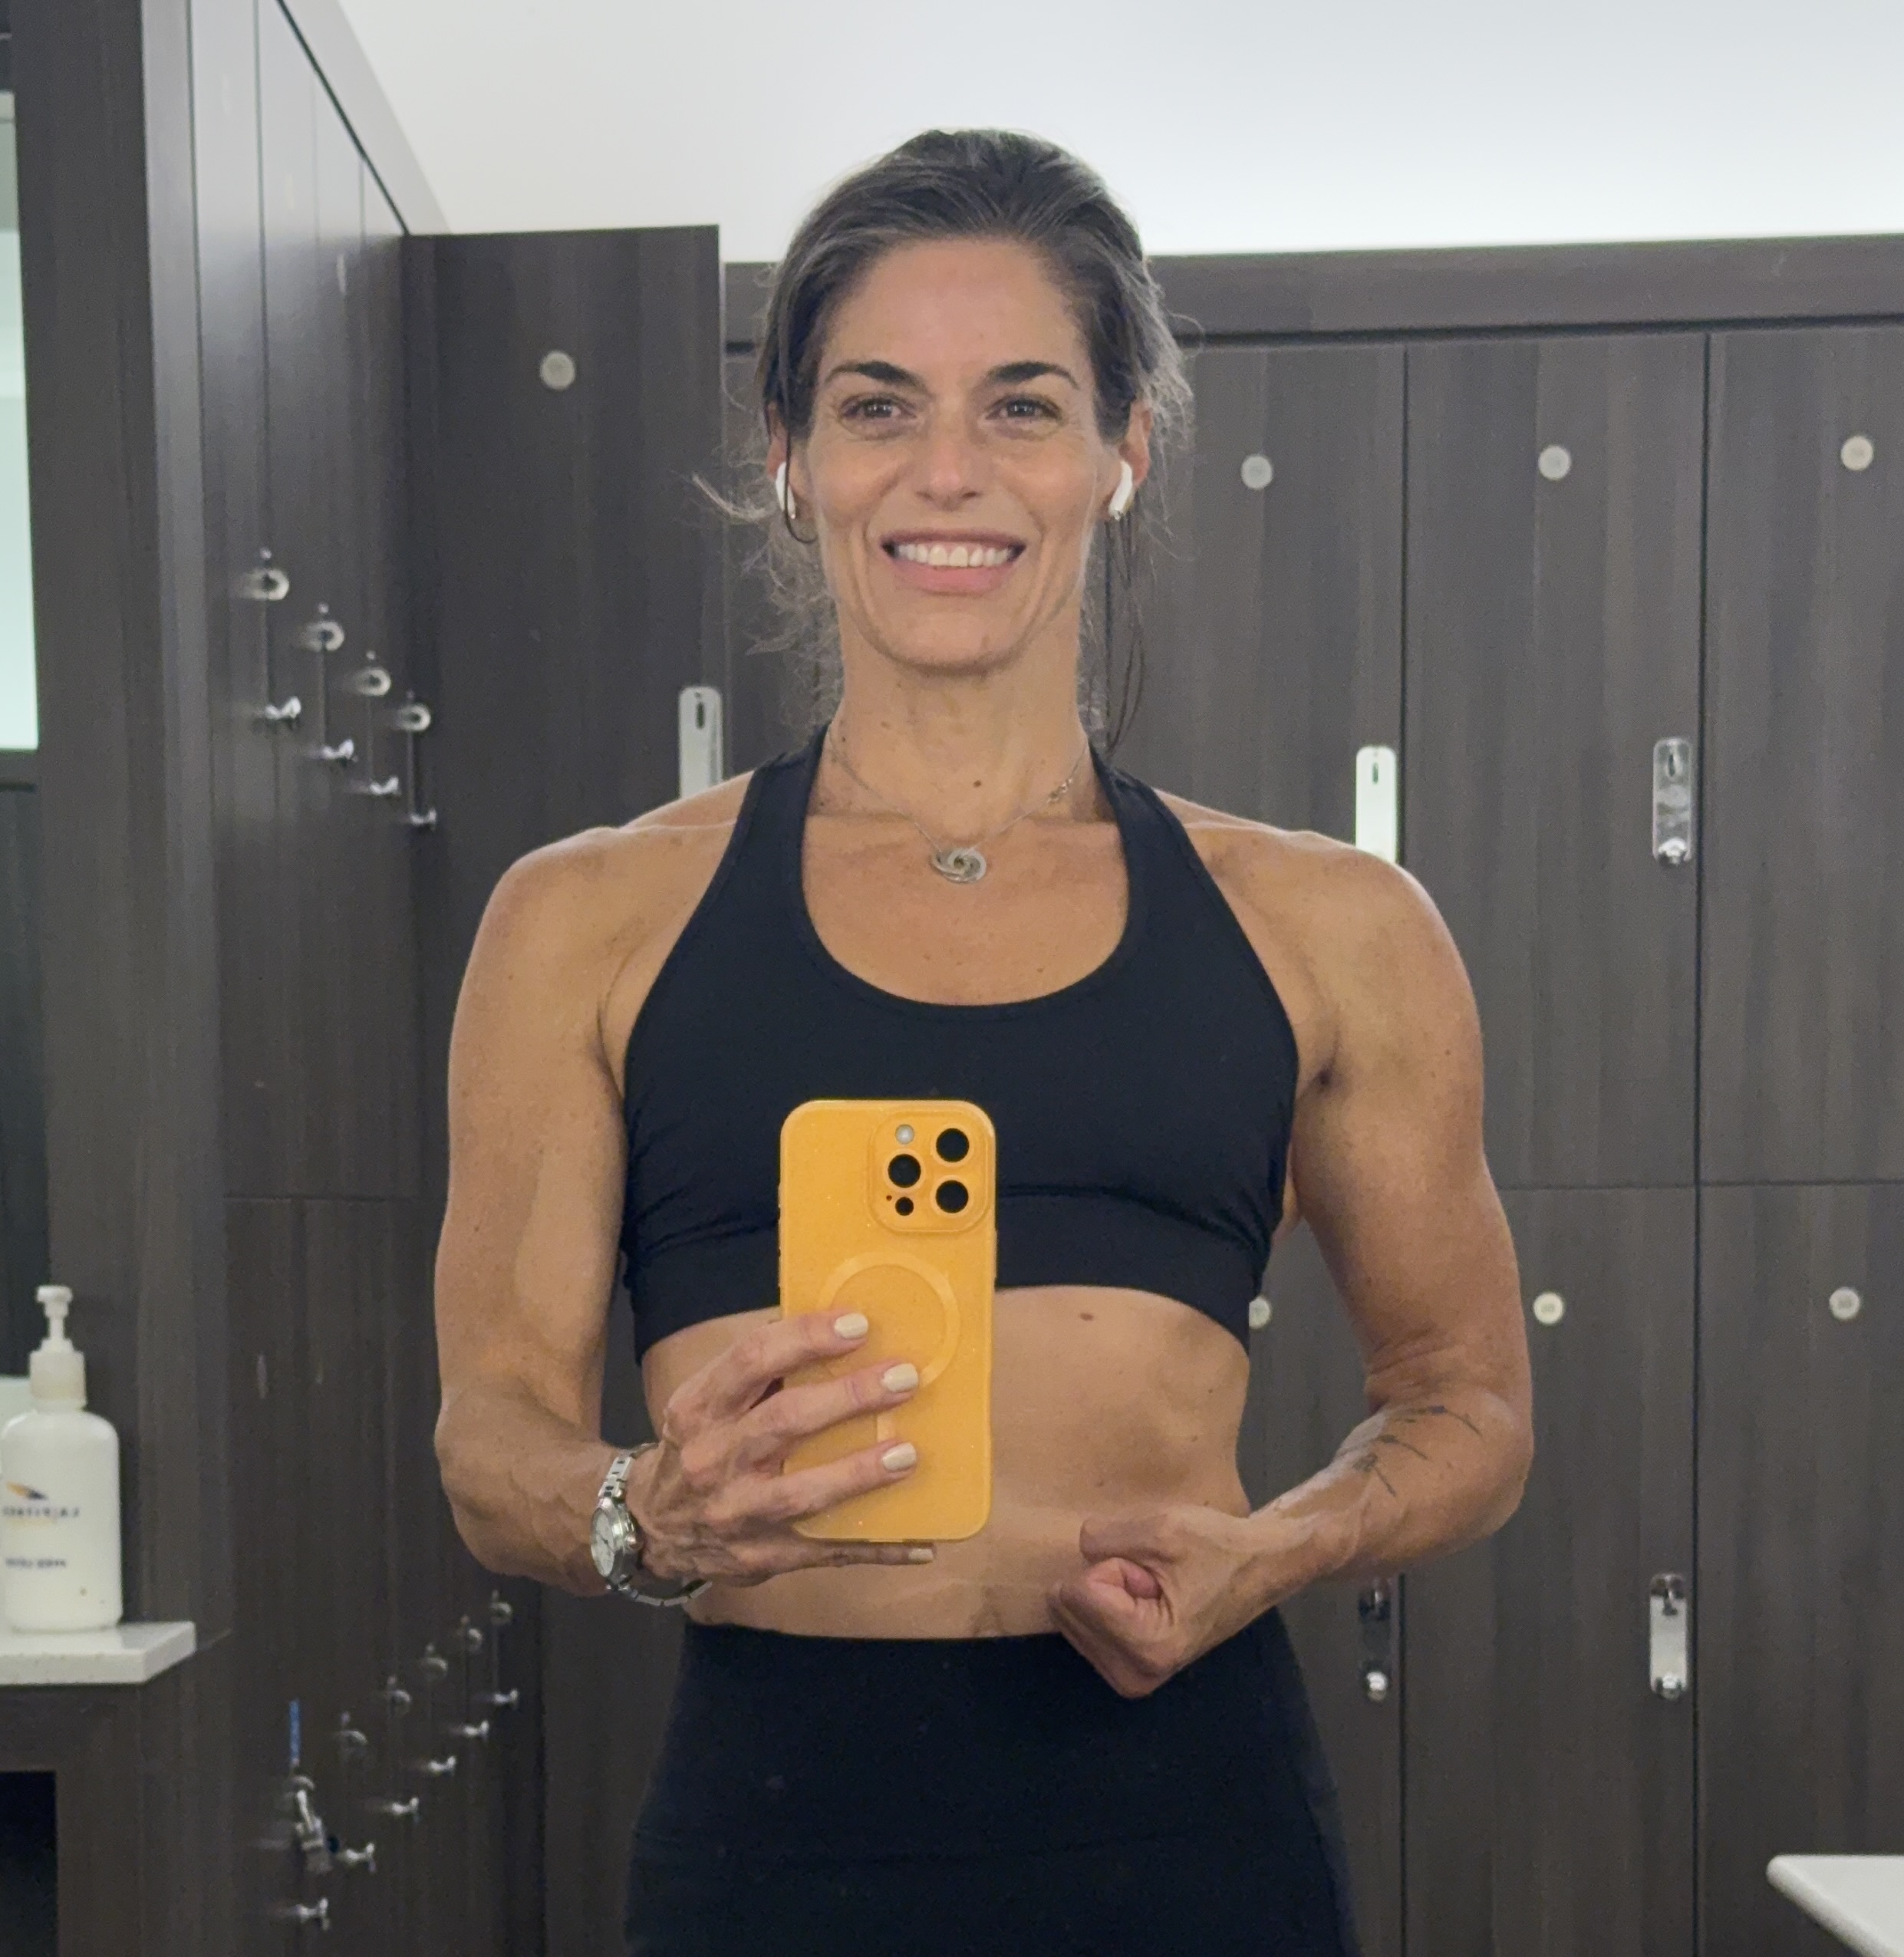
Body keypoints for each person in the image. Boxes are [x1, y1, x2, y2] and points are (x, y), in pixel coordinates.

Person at [430, 128, 1533, 1956]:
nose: (948, 470)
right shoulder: (587, 922)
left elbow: (1469, 1402)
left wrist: (1278, 1547)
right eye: (878, 406)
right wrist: (642, 1512)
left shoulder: (1331, 926)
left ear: (1123, 449)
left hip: (1190, 1821)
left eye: (1021, 406)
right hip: (777, 1834)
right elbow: (492, 1435)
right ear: (790, 457)